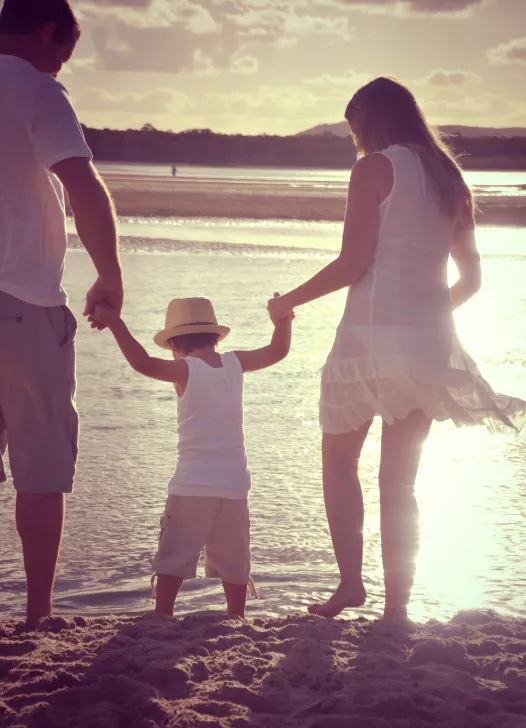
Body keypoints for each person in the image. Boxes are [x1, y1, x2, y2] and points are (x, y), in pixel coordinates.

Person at [268, 77, 526, 621]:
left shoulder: (373, 168)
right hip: (428, 347)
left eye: (354, 128)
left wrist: (287, 302)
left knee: (339, 462)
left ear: (371, 121)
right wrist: (423, 320)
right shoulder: (449, 176)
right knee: (399, 481)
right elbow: (472, 277)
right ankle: (397, 608)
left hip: (366, 342)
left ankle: (349, 586)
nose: (355, 140)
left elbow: (352, 264)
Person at [0, 0, 123, 629]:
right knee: (40, 465)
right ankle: (39, 615)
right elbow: (82, 185)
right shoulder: (37, 91)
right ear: (48, 31)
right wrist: (110, 274)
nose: (59, 65)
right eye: (64, 51)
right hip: (23, 304)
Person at [91, 296, 293, 618]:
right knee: (234, 559)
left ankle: (163, 614)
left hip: (192, 485)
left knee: (174, 557)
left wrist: (115, 323)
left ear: (173, 343)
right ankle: (236, 616)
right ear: (215, 336)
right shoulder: (236, 362)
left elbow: (142, 363)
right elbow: (278, 351)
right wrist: (284, 318)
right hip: (234, 485)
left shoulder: (185, 370)